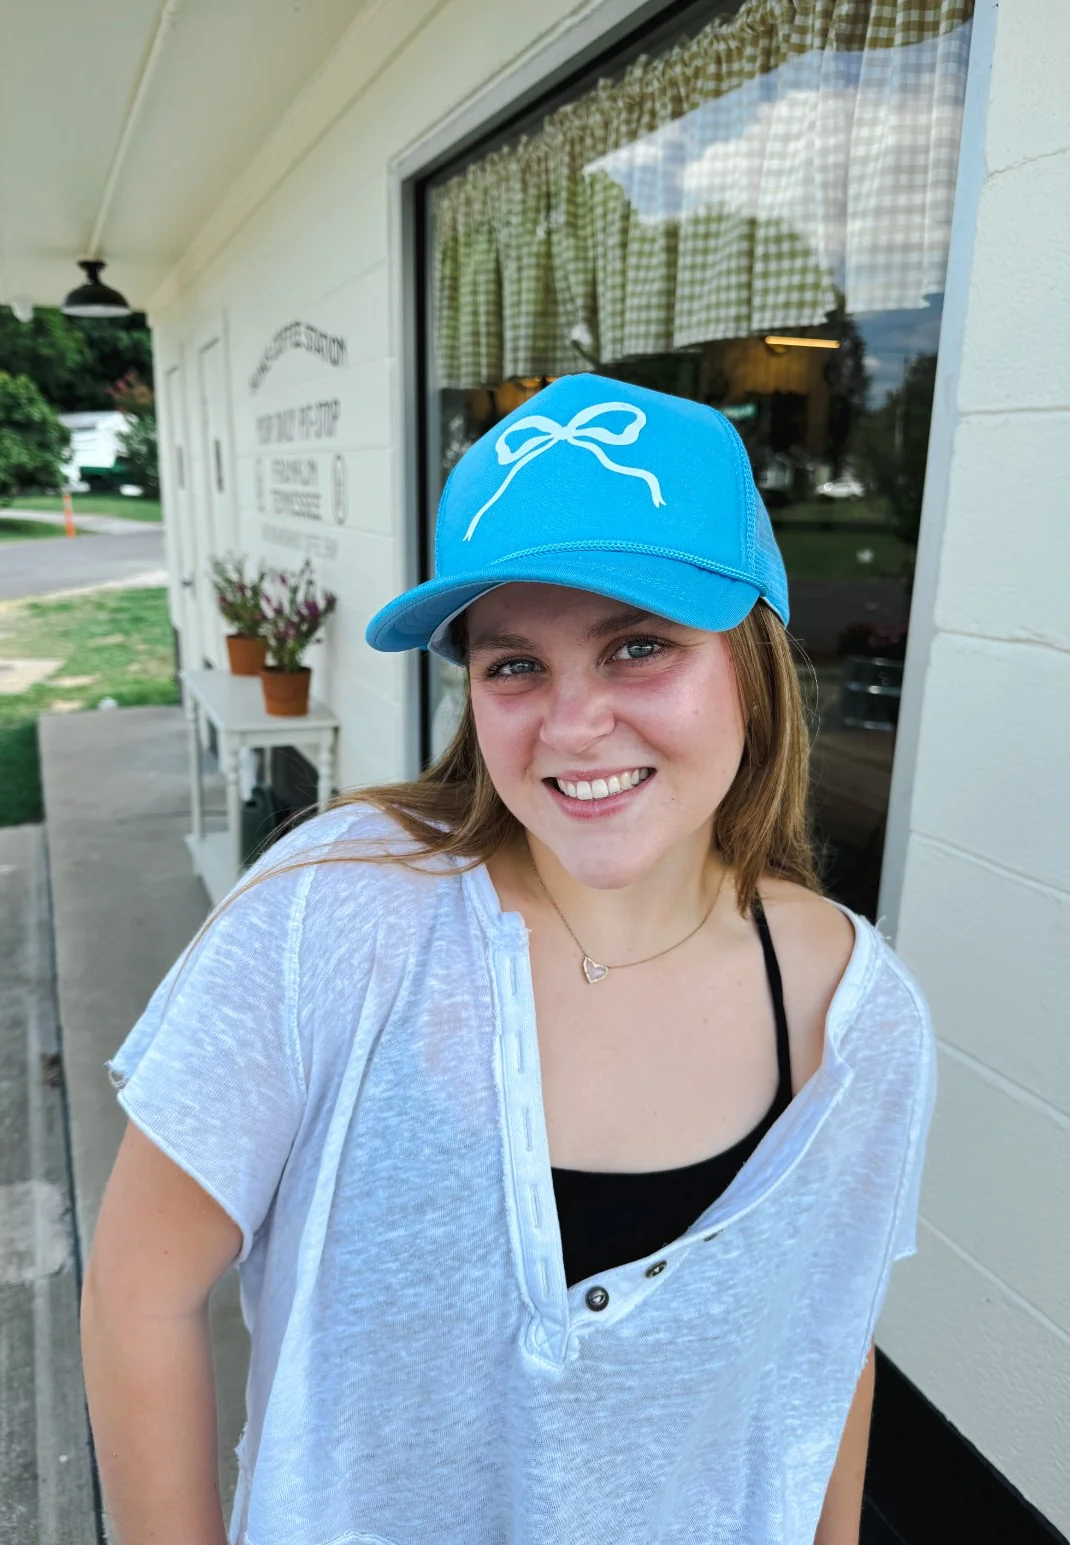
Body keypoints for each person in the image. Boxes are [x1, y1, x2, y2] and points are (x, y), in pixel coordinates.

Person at [81, 374, 935, 1545]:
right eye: (513, 664)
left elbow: (829, 1348)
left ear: (753, 660)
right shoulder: (334, 917)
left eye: (639, 646)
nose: (573, 727)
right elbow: (140, 1296)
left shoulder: (856, 1015)